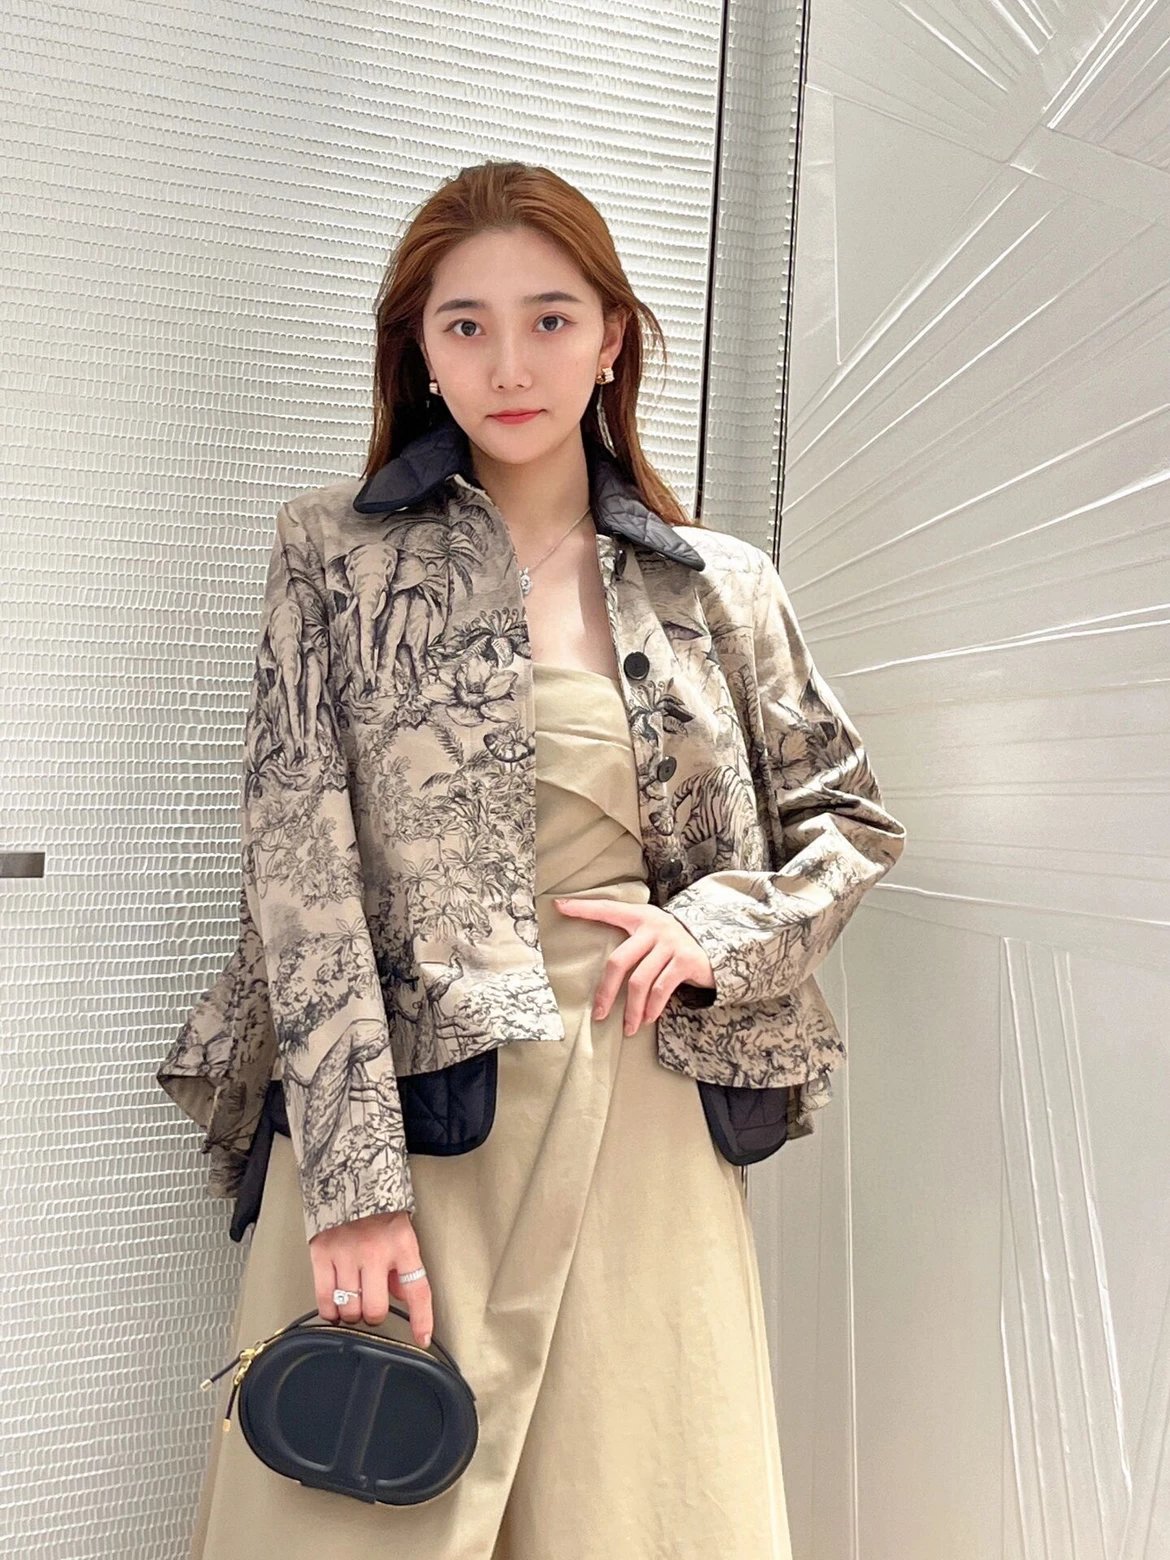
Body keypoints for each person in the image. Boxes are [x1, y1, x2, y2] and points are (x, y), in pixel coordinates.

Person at [160, 158, 905, 1559]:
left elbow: (847, 823)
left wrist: (714, 932)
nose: (510, 364)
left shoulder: (715, 582)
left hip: (641, 1122)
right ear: (421, 349)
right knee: (362, 1512)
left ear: (612, 337)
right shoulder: (335, 555)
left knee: (639, 1504)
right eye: (467, 324)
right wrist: (354, 1192)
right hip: (412, 1112)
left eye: (550, 319)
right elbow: (301, 880)